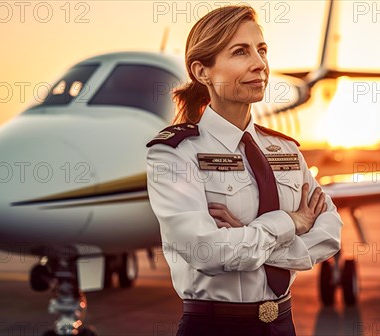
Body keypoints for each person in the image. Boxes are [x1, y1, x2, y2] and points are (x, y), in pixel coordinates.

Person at [146, 5, 343, 336]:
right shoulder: (175, 154)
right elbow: (205, 251)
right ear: (201, 71)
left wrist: (249, 236)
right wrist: (288, 223)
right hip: (213, 327)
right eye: (240, 52)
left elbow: (329, 233)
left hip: (283, 325)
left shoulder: (286, 150)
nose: (260, 64)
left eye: (262, 50)